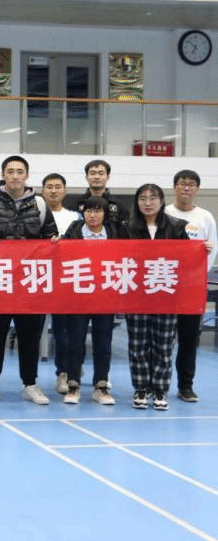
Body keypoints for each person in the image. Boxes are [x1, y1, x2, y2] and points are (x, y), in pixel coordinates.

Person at [0, 155, 58, 406]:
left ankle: (30, 384)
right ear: (3, 174)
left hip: (29, 283)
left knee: (30, 336)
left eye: (19, 171)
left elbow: (50, 234)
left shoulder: (40, 204)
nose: (15, 176)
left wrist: (54, 240)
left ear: (27, 175)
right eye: (10, 171)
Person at [126, 183, 188, 411]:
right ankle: (141, 387)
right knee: (138, 345)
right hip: (137, 295)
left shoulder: (177, 227)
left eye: (153, 198)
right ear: (137, 202)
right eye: (142, 198)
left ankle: (160, 388)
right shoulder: (127, 228)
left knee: (164, 345)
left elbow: (188, 258)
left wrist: (204, 249)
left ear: (162, 201)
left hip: (166, 295)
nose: (148, 203)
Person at [59, 196, 122, 406]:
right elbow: (60, 255)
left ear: (105, 214)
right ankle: (73, 385)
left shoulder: (114, 233)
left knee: (103, 343)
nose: (92, 215)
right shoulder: (73, 231)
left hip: (105, 296)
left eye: (97, 211)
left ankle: (101, 386)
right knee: (75, 342)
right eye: (88, 211)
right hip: (77, 296)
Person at [164, 169, 217, 403]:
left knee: (188, 339)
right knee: (162, 338)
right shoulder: (164, 213)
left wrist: (197, 274)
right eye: (182, 183)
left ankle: (185, 385)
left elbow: (212, 248)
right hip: (164, 284)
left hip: (192, 287)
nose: (186, 188)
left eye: (191, 184)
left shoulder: (205, 217)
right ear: (174, 187)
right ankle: (159, 384)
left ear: (197, 189)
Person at [41, 172, 80, 396]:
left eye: (58, 187)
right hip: (38, 278)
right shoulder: (35, 214)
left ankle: (64, 372)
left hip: (66, 281)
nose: (53, 190)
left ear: (64, 191)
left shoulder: (75, 217)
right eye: (49, 187)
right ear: (43, 191)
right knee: (34, 332)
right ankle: (30, 381)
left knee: (63, 331)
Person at [75, 159, 129, 229]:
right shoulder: (76, 204)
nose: (97, 177)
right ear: (86, 177)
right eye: (93, 173)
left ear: (108, 177)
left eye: (101, 173)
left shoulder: (119, 206)